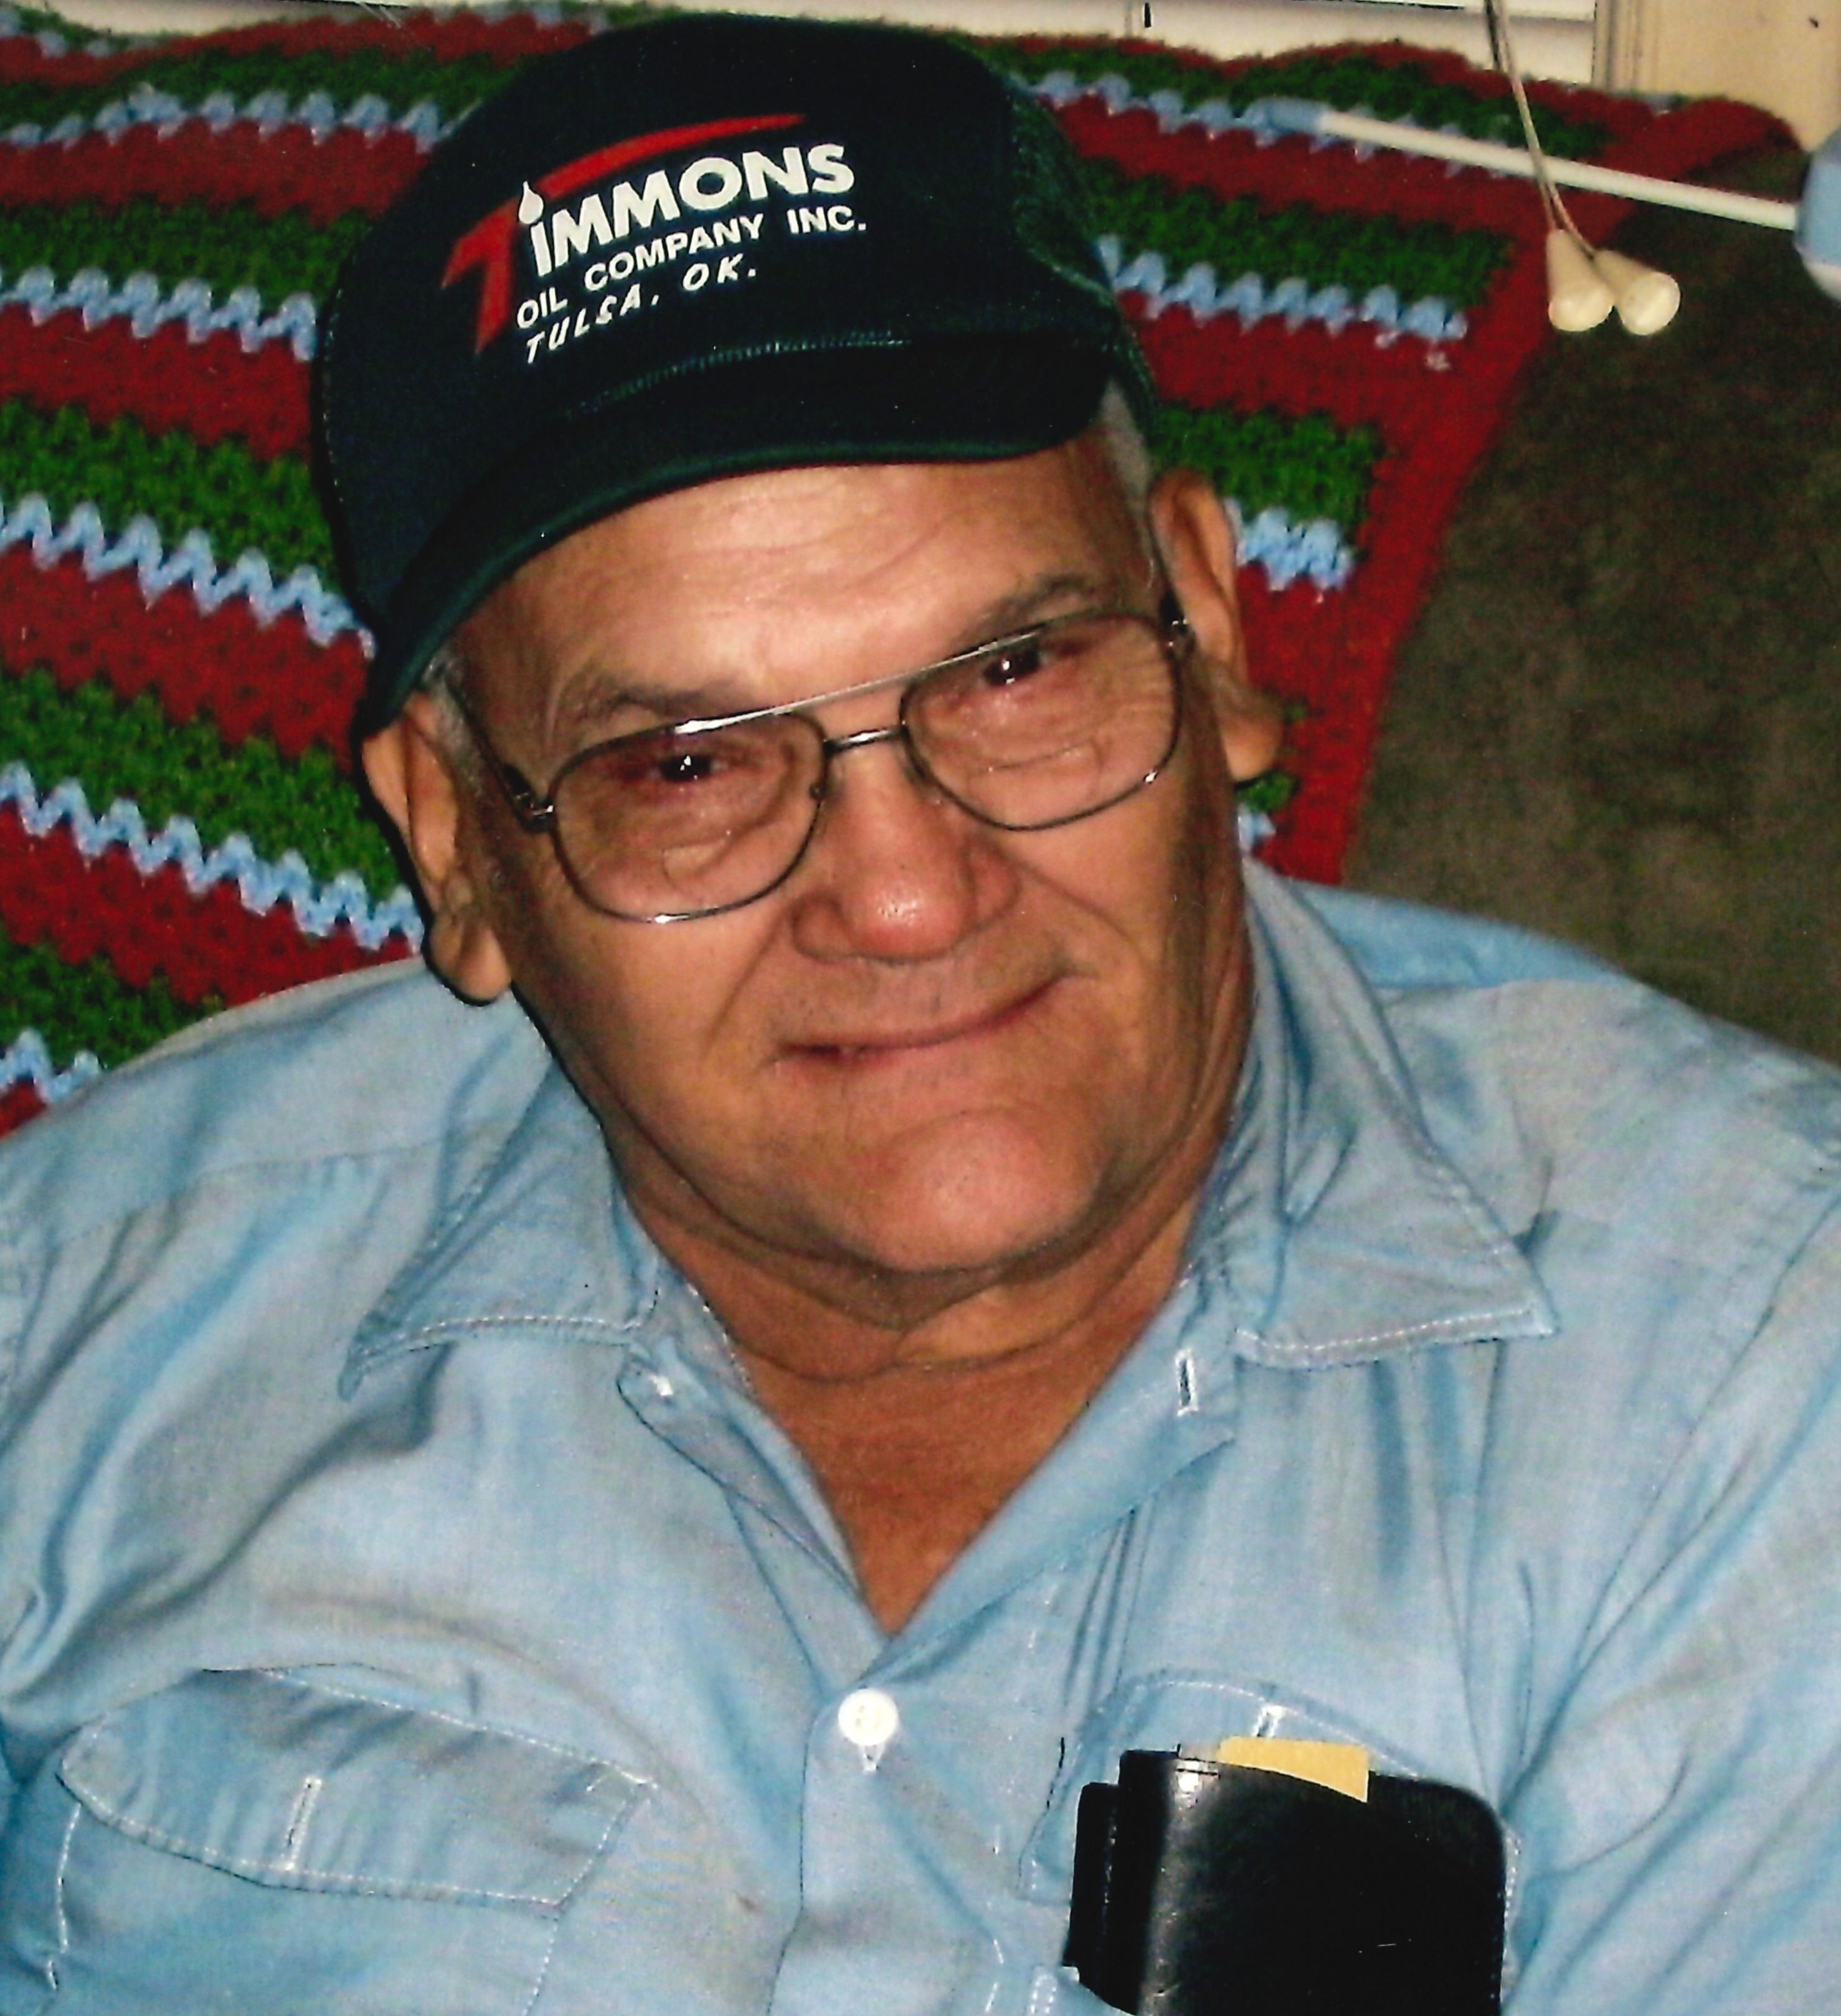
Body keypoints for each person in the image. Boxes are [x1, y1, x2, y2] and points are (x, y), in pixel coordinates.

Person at [0, 14, 1837, 2014]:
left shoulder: (1741, 1375)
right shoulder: (82, 1332)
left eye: (1013, 675)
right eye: (687, 766)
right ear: (456, 841)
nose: (902, 893)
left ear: (1208, 627)